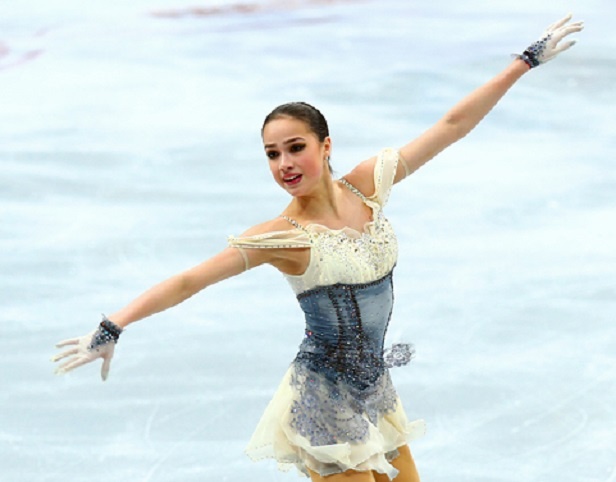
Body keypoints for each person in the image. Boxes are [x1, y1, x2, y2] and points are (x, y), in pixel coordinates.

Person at [52, 14, 583, 482]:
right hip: (323, 405)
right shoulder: (284, 236)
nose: (284, 163)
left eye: (295, 147)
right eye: (272, 154)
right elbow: (190, 279)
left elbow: (451, 125)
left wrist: (524, 62)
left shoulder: (368, 185)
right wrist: (113, 325)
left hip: (374, 391)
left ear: (325, 146)